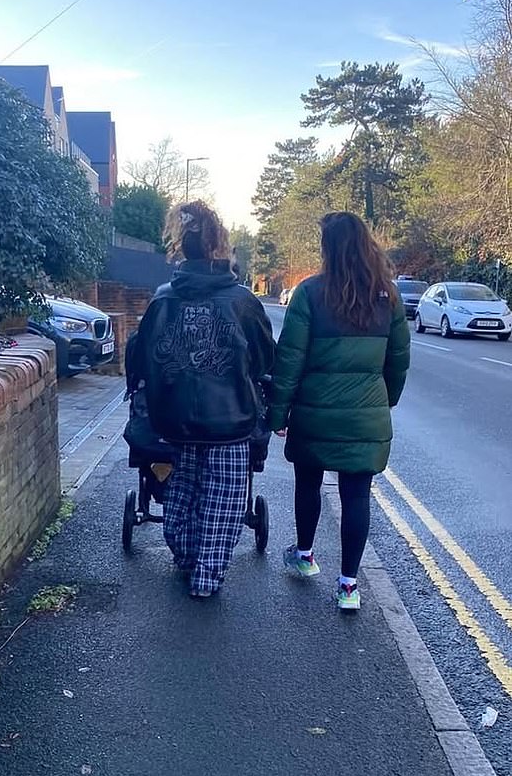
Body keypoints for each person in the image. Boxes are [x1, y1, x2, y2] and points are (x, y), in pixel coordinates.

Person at [269, 211, 410, 611]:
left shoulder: (310, 293)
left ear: (328, 248)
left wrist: (279, 415)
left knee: (308, 484)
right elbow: (398, 359)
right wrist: (385, 400)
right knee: (355, 495)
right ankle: (349, 586)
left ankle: (307, 555)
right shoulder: (387, 296)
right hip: (365, 413)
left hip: (315, 412)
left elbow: (289, 360)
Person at [134, 200, 275, 598]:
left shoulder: (162, 298)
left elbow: (143, 358)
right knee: (225, 497)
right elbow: (265, 359)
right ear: (220, 247)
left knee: (182, 487)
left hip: (173, 419)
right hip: (230, 421)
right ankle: (207, 577)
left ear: (182, 247)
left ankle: (185, 557)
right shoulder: (243, 301)